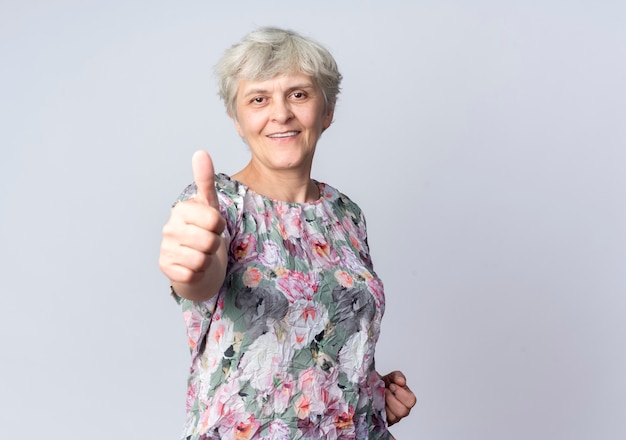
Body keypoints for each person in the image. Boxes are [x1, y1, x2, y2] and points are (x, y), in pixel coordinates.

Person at [159, 27, 416, 440]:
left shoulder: (346, 213)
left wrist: (366, 388)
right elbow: (198, 278)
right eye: (258, 99)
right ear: (238, 121)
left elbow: (319, 339)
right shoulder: (218, 204)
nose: (280, 113)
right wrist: (192, 264)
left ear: (327, 112)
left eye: (298, 94)